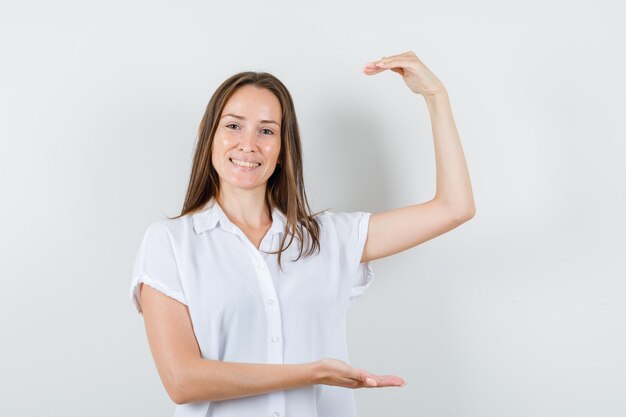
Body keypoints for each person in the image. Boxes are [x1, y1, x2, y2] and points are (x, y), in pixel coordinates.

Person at [129, 50, 475, 417]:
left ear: (281, 150)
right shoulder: (171, 243)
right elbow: (182, 382)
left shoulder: (328, 239)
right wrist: (311, 373)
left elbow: (455, 207)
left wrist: (436, 97)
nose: (248, 144)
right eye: (233, 125)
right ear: (208, 133)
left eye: (266, 130)